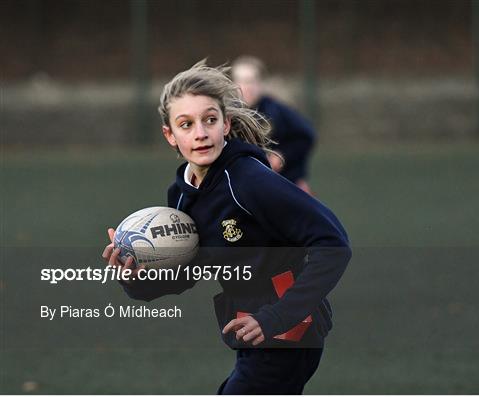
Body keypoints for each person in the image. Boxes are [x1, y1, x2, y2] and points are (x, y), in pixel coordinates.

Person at [102, 61, 351, 394]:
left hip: (289, 334)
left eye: (209, 120)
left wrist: (276, 317)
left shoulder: (248, 180)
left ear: (225, 124)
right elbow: (187, 273)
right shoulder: (180, 196)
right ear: (170, 136)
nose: (200, 133)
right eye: (185, 124)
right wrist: (135, 279)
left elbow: (333, 244)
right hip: (251, 330)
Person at [231, 55, 316, 194]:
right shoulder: (228, 115)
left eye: (250, 81)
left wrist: (282, 155)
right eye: (240, 80)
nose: (246, 87)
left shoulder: (278, 110)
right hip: (247, 188)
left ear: (260, 83)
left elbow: (306, 136)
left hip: (284, 183)